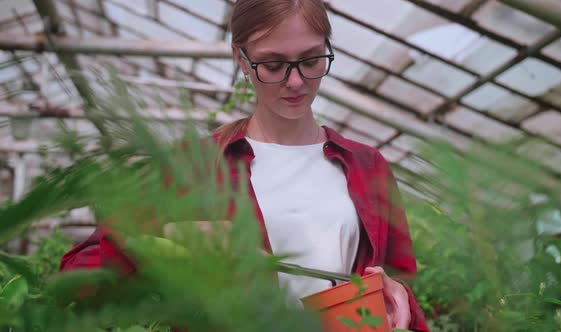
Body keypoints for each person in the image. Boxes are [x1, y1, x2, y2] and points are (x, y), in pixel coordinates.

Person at [60, 0, 429, 331]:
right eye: (273, 64)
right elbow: (79, 275)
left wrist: (396, 293)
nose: (296, 81)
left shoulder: (368, 165)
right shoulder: (196, 165)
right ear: (241, 59)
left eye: (312, 60)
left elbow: (397, 277)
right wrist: (181, 235)